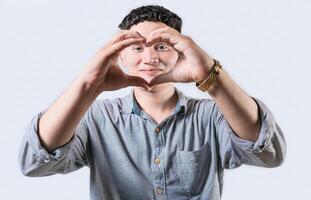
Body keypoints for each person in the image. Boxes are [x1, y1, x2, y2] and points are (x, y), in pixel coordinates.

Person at [18, 5, 287, 200]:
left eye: (161, 46)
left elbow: (268, 152)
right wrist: (88, 86)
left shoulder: (211, 115)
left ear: (180, 53)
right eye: (137, 47)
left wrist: (210, 75)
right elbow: (35, 161)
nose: (149, 59)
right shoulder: (97, 118)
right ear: (120, 57)